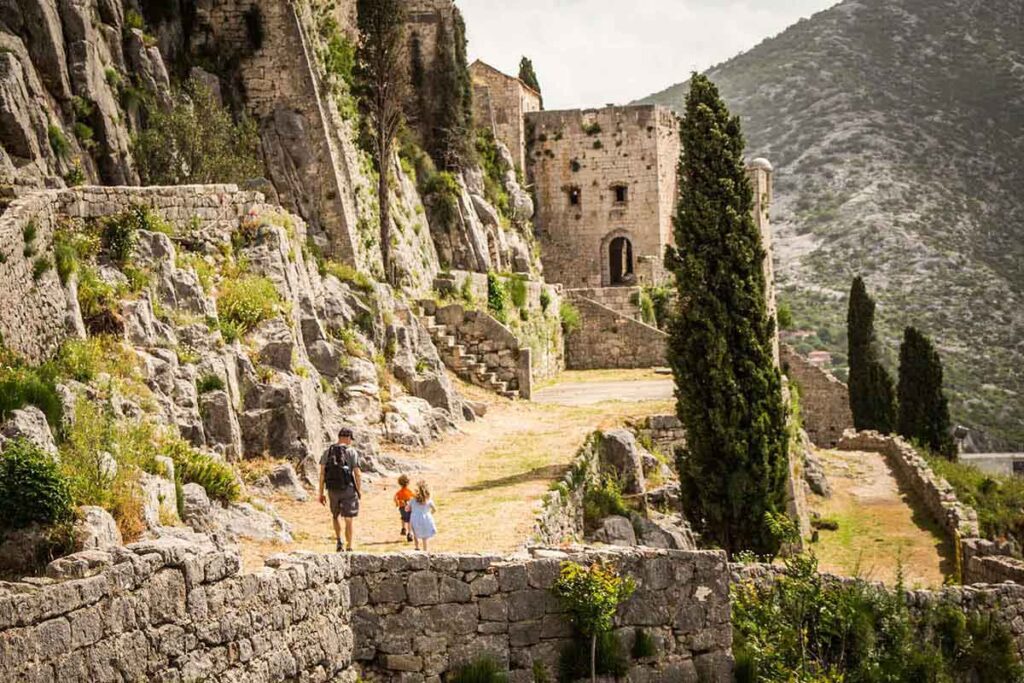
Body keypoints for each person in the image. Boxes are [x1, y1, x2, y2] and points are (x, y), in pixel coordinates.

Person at [318, 427, 362, 552]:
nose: (351, 442)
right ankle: (349, 545)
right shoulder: (351, 451)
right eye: (351, 439)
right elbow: (357, 473)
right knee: (348, 518)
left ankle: (339, 541)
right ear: (348, 437)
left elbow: (322, 474)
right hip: (348, 488)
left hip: (332, 489)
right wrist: (358, 490)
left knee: (335, 515)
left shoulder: (328, 451)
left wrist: (321, 493)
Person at [407, 480, 437, 552]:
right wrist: (429, 514)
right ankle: (425, 550)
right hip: (426, 518)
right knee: (424, 537)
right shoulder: (428, 500)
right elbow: (434, 509)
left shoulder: (412, 500)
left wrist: (408, 507)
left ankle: (417, 546)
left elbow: (408, 509)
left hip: (415, 519)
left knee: (415, 533)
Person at [394, 474, 415, 542]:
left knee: (403, 517)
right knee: (409, 521)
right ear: (408, 483)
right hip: (408, 508)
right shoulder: (409, 491)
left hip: (401, 507)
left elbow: (395, 497)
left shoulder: (399, 492)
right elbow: (414, 497)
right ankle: (409, 533)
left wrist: (397, 503)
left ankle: (403, 528)